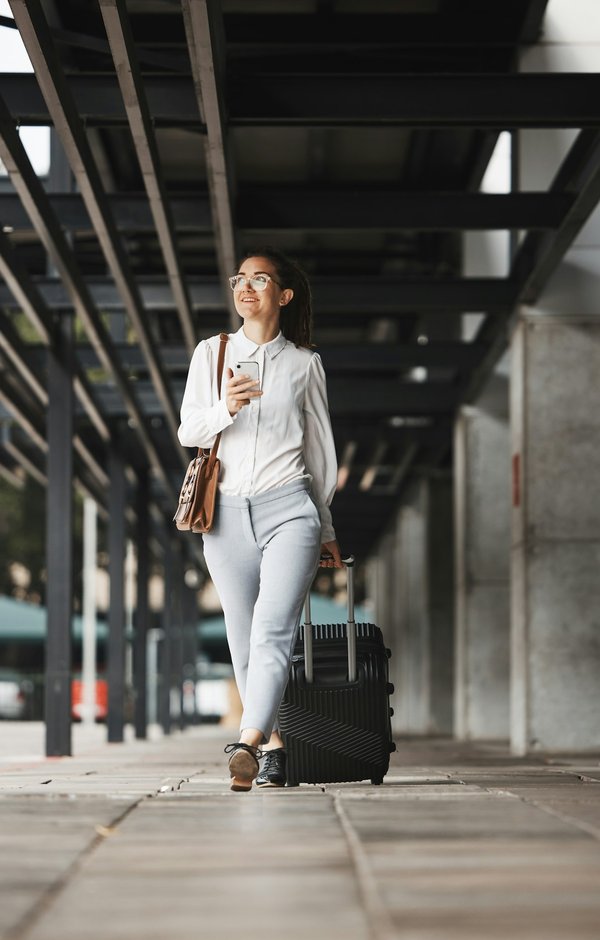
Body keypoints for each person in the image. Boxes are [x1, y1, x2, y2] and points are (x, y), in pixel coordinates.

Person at [177, 246, 343, 791]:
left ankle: (245, 742)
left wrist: (327, 529)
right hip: (223, 516)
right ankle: (273, 747)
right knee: (242, 636)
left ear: (283, 294)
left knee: (275, 630)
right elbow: (189, 433)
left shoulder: (304, 364)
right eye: (238, 279)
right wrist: (226, 406)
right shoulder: (211, 353)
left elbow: (320, 455)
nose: (245, 288)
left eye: (259, 279)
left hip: (290, 509)